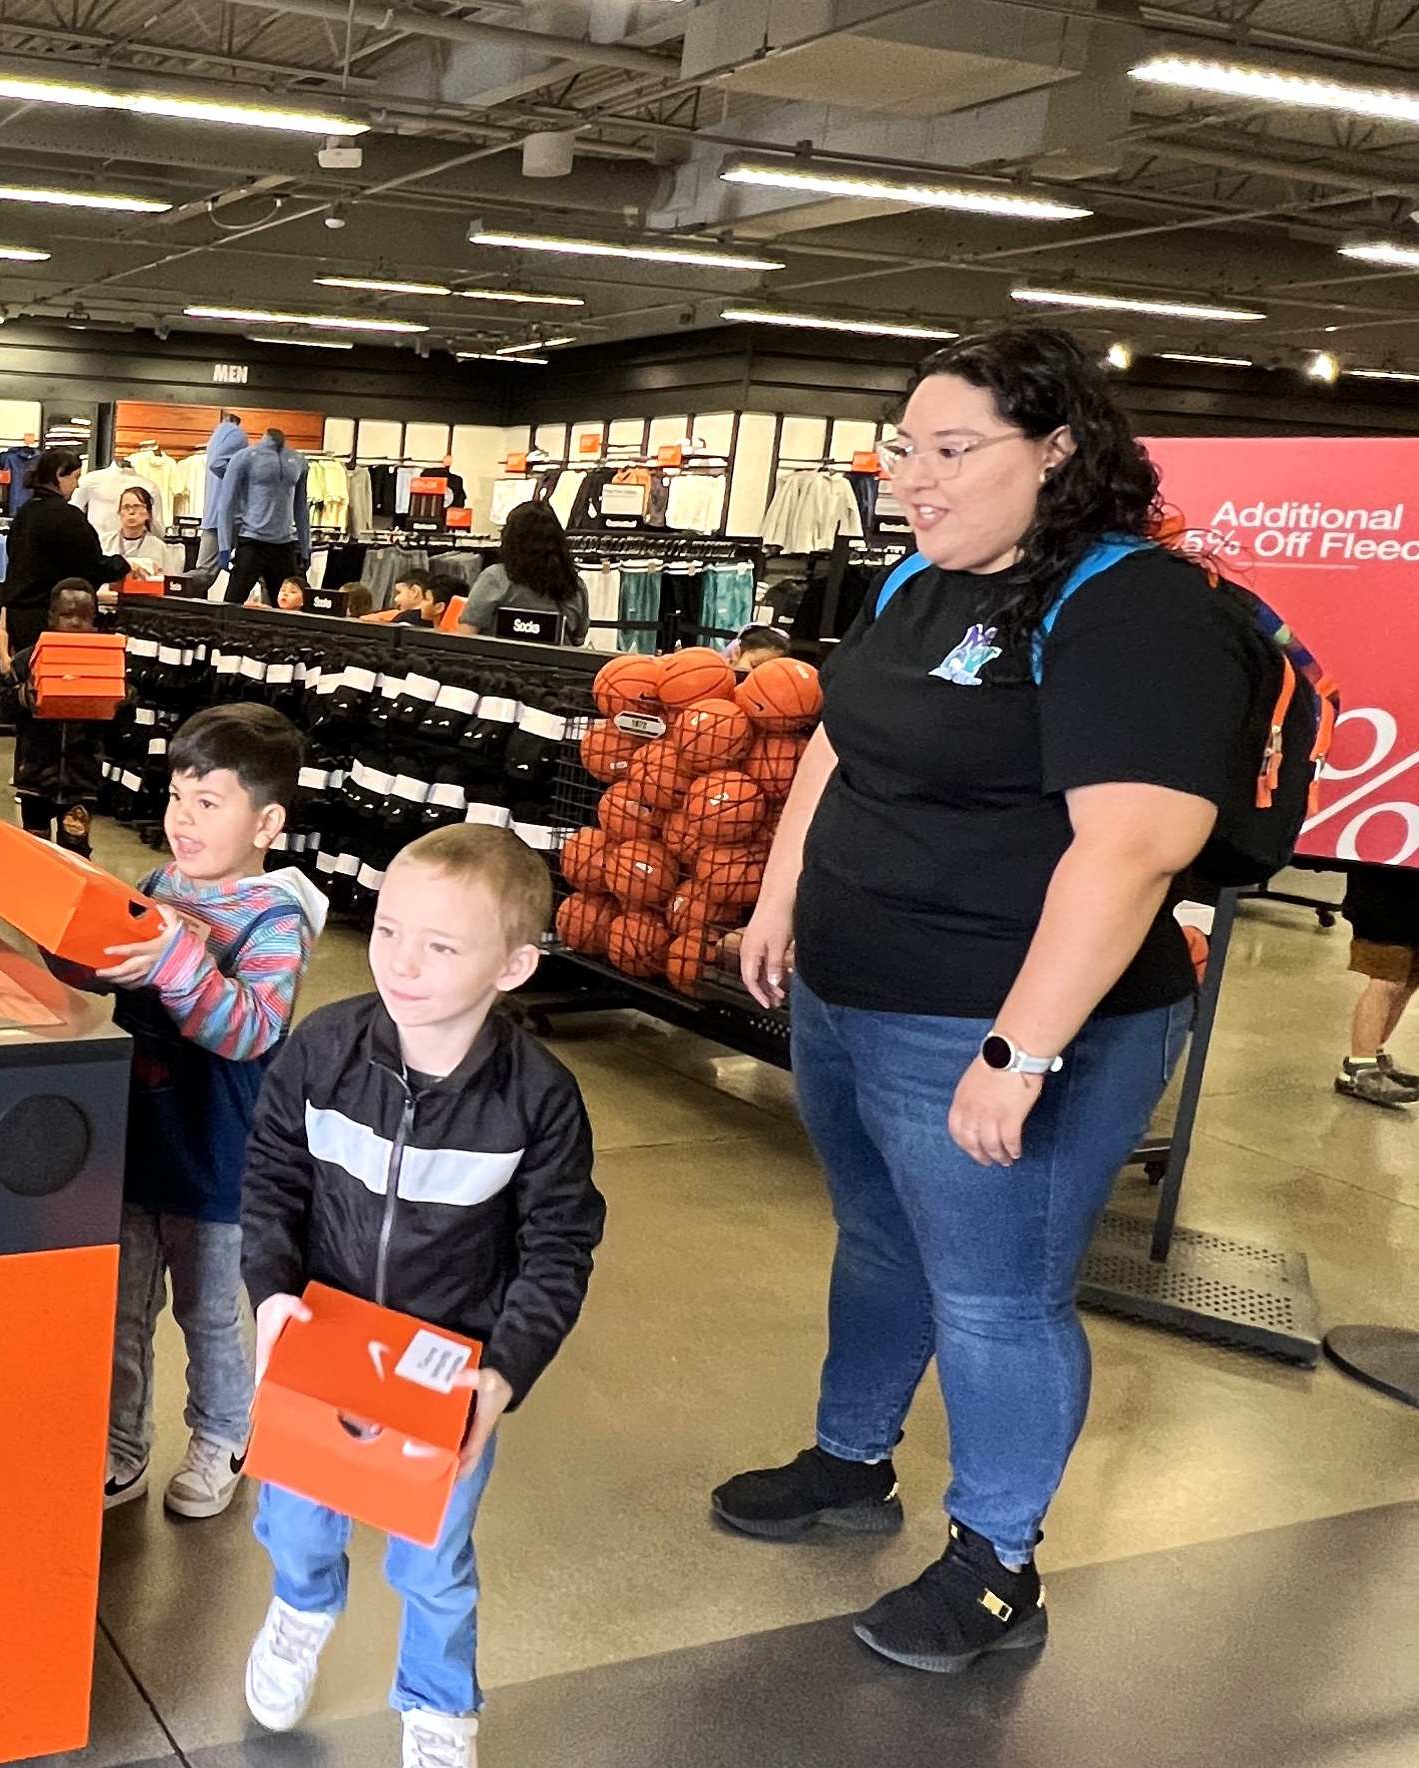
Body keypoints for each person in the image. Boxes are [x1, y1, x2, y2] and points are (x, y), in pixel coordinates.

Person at [724, 324, 1256, 1674]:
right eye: (908, 449)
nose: (918, 477)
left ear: (1059, 451)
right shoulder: (916, 579)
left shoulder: (1137, 607)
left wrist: (1019, 1051)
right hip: (854, 995)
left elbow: (1134, 844)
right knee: (880, 1241)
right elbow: (841, 741)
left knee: (999, 1298)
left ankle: (996, 1561)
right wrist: (785, 896)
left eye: (955, 451)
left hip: (1003, 1021)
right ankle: (851, 1460)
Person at [238, 824, 603, 1768]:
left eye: (442, 946)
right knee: (293, 1515)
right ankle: (302, 1606)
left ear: (514, 965)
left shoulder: (539, 1098)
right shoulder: (324, 1048)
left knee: (435, 1560)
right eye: (392, 930)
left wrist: (504, 1374)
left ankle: (439, 1705)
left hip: (448, 1371)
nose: (403, 962)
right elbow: (274, 1175)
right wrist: (273, 1296)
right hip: (320, 1341)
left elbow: (559, 1245)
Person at [51, 705, 325, 1522]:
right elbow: (114, 973)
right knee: (123, 1306)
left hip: (219, 1153)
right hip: (137, 1135)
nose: (182, 817)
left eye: (209, 802)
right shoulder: (158, 886)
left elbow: (247, 1030)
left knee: (208, 1313)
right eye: (176, 796)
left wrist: (176, 961)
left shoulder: (276, 920)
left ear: (267, 822)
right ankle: (121, 1443)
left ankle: (223, 1434)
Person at [0, 580, 110, 854]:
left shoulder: (106, 665)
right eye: (67, 615)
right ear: (51, 617)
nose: (75, 622)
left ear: (94, 620)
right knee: (34, 852)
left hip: (82, 779)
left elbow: (120, 727)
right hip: (36, 778)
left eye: (83, 617)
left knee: (75, 853)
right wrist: (22, 695)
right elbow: (3, 708)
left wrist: (121, 701)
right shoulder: (27, 661)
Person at [0, 450, 128, 674]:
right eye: (75, 477)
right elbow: (91, 568)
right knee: (56, 688)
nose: (77, 486)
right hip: (52, 619)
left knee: (29, 686)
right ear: (60, 475)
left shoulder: (24, 514)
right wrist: (124, 565)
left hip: (18, 620)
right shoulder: (67, 517)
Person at [1336, 862, 1419, 1106]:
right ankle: (1359, 1066)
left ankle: (1374, 1053)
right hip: (1385, 898)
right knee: (1387, 980)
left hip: (1411, 901)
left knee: (1409, 981)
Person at [458, 500, 588, 642]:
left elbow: (467, 632)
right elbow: (579, 637)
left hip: (501, 661)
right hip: (555, 662)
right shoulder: (574, 584)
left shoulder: (495, 578)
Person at [217, 426, 311, 608]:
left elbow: (301, 506)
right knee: (231, 606)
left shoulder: (298, 461)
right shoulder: (244, 457)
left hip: (284, 545)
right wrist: (223, 546)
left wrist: (306, 546)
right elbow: (226, 504)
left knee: (289, 610)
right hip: (252, 542)